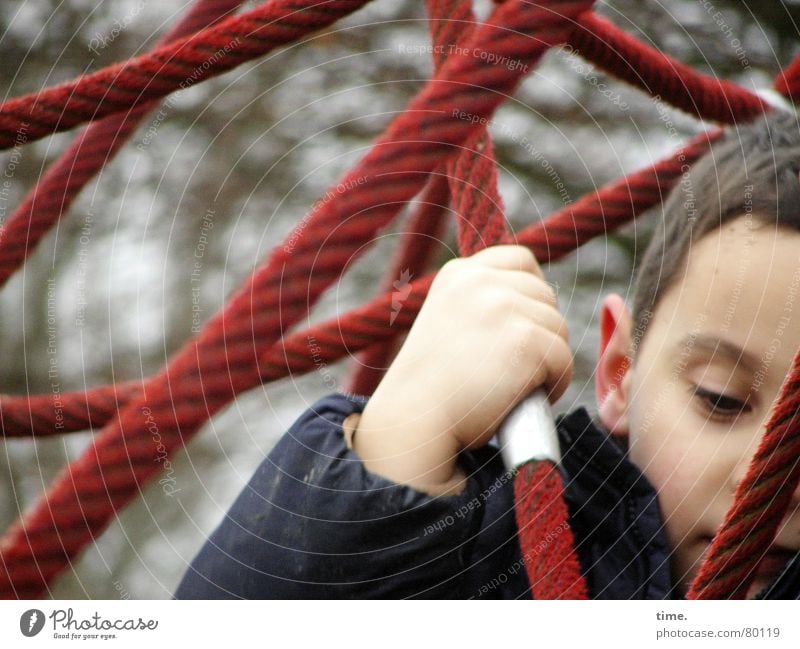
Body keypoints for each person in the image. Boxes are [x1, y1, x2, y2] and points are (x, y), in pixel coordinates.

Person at [174, 112, 800, 599]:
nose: (771, 477)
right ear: (618, 372)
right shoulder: (495, 546)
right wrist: (405, 433)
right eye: (720, 399)